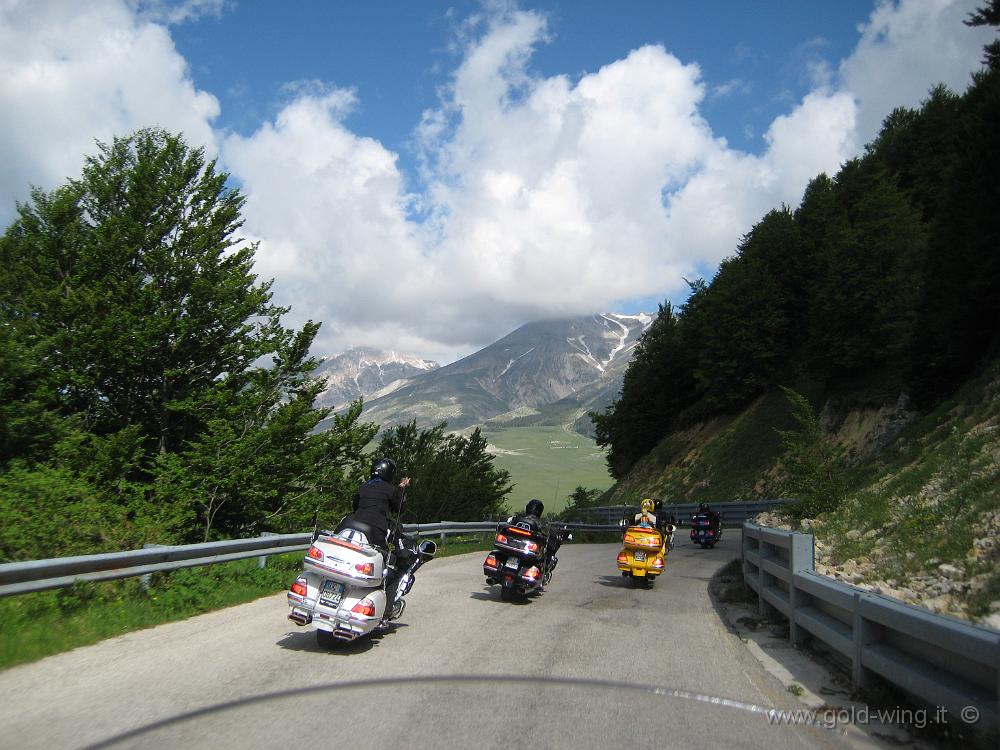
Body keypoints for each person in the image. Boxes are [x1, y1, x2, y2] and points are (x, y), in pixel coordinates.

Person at [339, 457, 412, 625]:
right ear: (389, 474)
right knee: (390, 573)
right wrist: (400, 489)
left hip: (352, 532)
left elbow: (355, 505)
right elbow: (400, 508)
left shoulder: (364, 487)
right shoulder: (390, 490)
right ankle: (385, 612)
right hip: (374, 536)